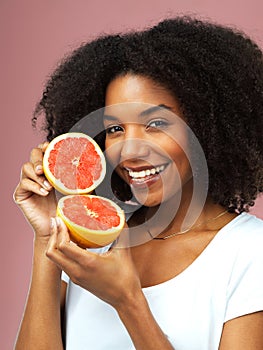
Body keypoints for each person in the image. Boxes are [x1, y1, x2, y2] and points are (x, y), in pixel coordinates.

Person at [13, 16, 263, 350]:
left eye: (156, 123)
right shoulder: (91, 241)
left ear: (206, 126)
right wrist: (48, 234)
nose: (129, 151)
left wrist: (128, 301)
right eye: (115, 129)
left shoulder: (249, 252)